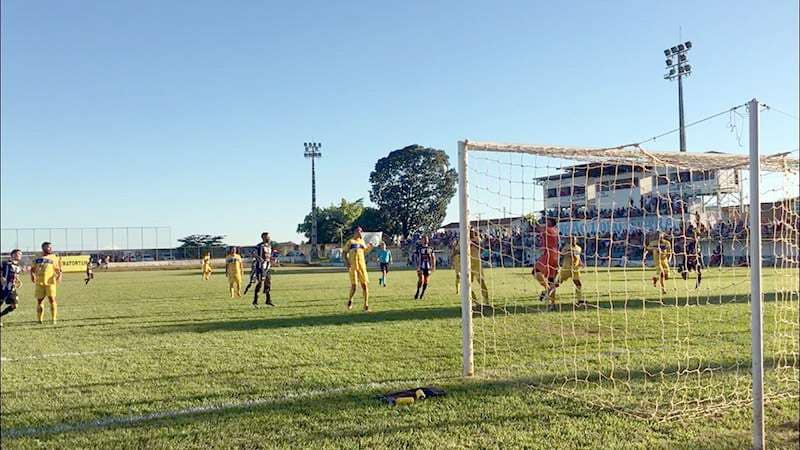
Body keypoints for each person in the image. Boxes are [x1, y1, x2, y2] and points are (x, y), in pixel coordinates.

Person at [547, 236, 585, 306]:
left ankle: (579, 300)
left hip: (575, 269)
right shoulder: (566, 247)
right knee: (557, 284)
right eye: (572, 239)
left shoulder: (578, 248)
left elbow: (578, 257)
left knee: (578, 284)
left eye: (574, 239)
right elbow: (562, 254)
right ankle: (546, 293)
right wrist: (570, 253)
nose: (573, 241)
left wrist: (581, 263)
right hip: (566, 269)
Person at [532, 217, 560, 311]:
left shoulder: (547, 229)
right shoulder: (555, 230)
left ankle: (547, 290)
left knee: (536, 272)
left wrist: (531, 219)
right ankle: (553, 305)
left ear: (550, 222)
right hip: (555, 256)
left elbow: (537, 227)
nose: (545, 222)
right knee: (551, 280)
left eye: (547, 221)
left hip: (548, 255)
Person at [31, 242, 62, 324]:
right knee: (40, 301)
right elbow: (32, 269)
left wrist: (59, 275)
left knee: (52, 299)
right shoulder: (37, 258)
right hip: (39, 282)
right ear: (43, 248)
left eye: (50, 247)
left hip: (50, 282)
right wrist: (32, 275)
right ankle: (39, 320)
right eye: (48, 247)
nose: (50, 248)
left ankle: (54, 319)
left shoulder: (54, 257)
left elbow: (58, 269)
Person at [344, 227, 373, 311]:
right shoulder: (350, 241)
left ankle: (366, 305)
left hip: (362, 266)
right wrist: (347, 262)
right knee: (354, 286)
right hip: (353, 266)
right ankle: (350, 300)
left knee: (365, 285)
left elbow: (365, 251)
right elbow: (344, 252)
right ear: (355, 232)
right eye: (359, 231)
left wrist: (370, 247)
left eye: (361, 231)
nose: (361, 233)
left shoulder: (362, 242)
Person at [248, 232, 274, 307]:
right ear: (263, 238)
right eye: (267, 237)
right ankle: (255, 300)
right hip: (260, 267)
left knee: (268, 283)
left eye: (269, 237)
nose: (268, 238)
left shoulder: (269, 246)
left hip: (267, 268)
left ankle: (268, 300)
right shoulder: (260, 246)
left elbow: (268, 257)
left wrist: (272, 259)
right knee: (260, 283)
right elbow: (252, 252)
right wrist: (258, 257)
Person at [467, 229, 490, 306]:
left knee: (481, 282)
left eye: (472, 231)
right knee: (467, 284)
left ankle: (486, 301)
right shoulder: (463, 240)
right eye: (470, 231)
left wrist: (471, 243)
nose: (471, 232)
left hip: (476, 263)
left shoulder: (477, 239)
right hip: (468, 264)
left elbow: (480, 247)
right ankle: (474, 301)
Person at [0, 249, 23, 326]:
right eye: (18, 254)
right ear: (12, 255)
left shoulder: (18, 266)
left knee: (14, 306)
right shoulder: (5, 263)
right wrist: (1, 278)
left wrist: (18, 281)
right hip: (3, 287)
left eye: (20, 254)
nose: (19, 255)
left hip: (12, 288)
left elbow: (15, 276)